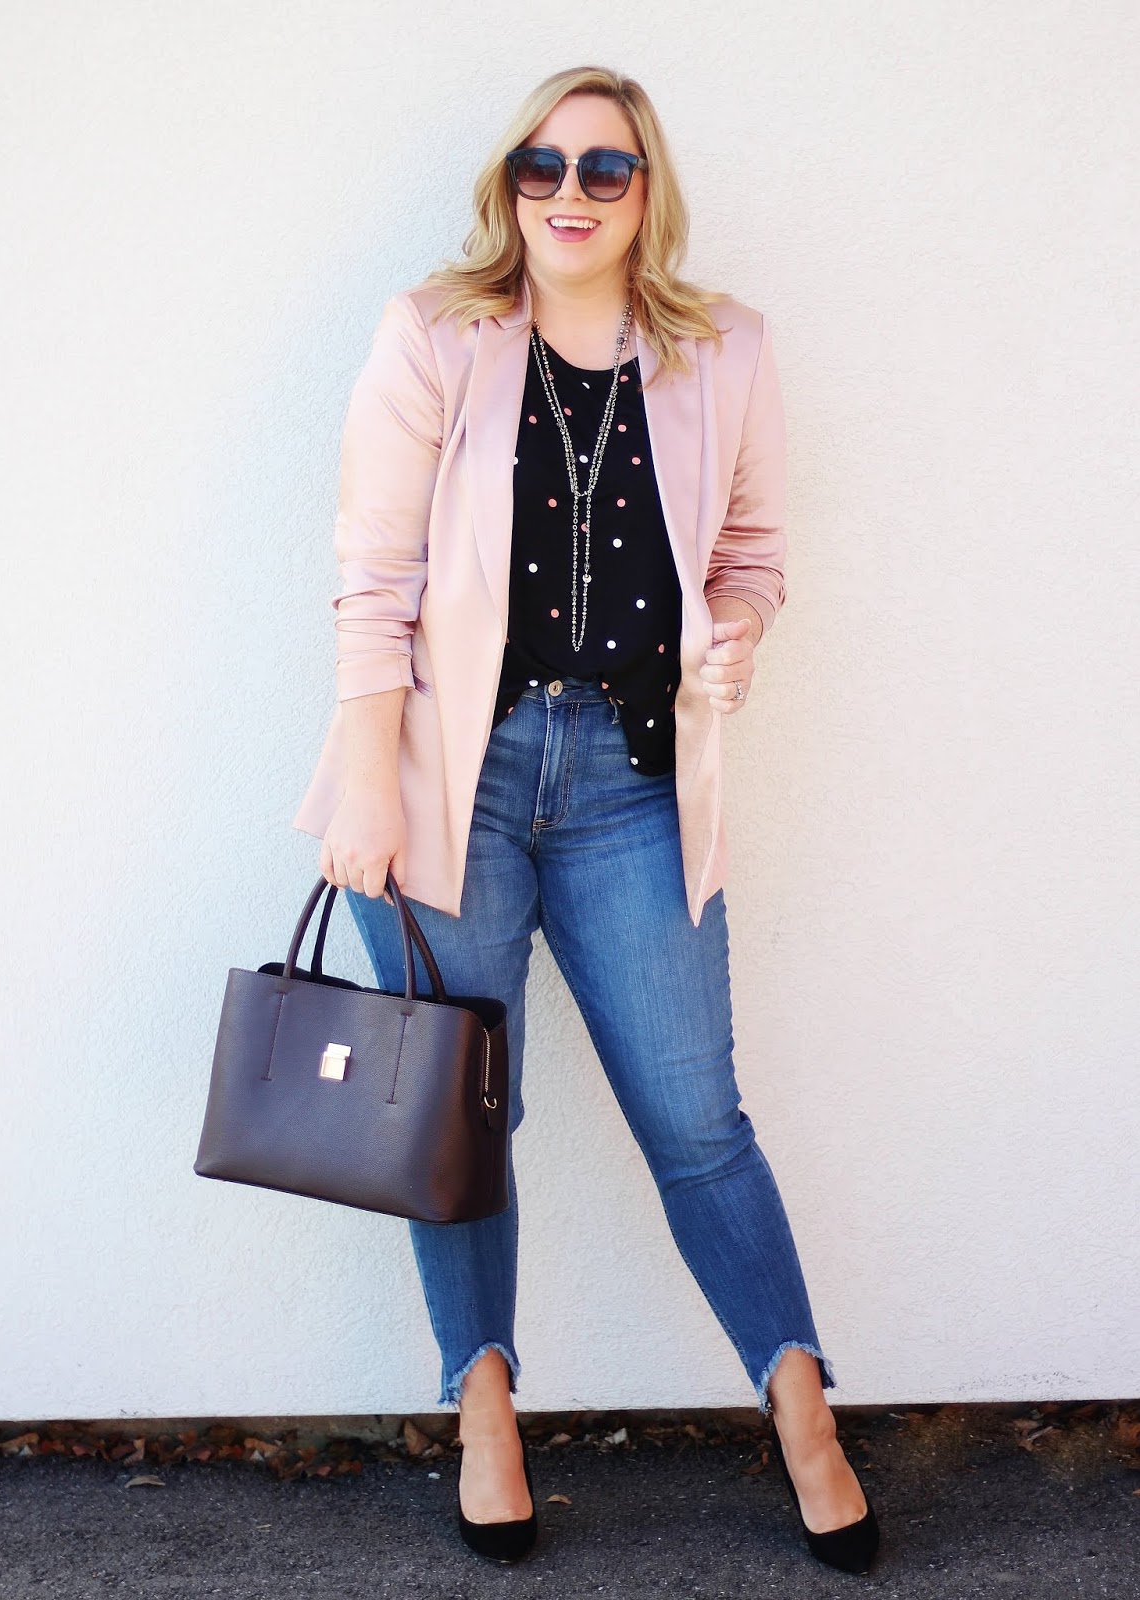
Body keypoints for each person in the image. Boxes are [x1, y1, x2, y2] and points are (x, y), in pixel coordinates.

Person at [292, 64, 880, 1576]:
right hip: (454, 779)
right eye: (541, 165)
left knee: (697, 1121)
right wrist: (365, 773)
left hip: (632, 784)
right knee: (459, 1116)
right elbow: (374, 574)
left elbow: (753, 555)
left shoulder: (723, 349)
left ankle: (804, 1413)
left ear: (644, 191)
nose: (569, 192)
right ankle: (485, 1412)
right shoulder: (437, 336)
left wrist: (734, 634)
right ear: (511, 183)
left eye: (603, 169)